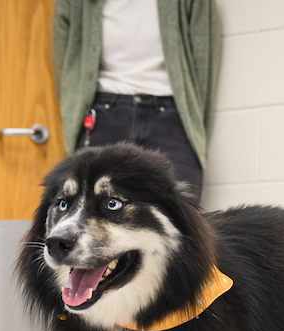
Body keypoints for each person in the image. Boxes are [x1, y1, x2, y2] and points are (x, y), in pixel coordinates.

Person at [52, 0, 220, 202]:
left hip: (172, 116)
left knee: (183, 216)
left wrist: (192, 118)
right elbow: (64, 59)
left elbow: (205, 58)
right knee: (89, 215)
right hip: (103, 113)